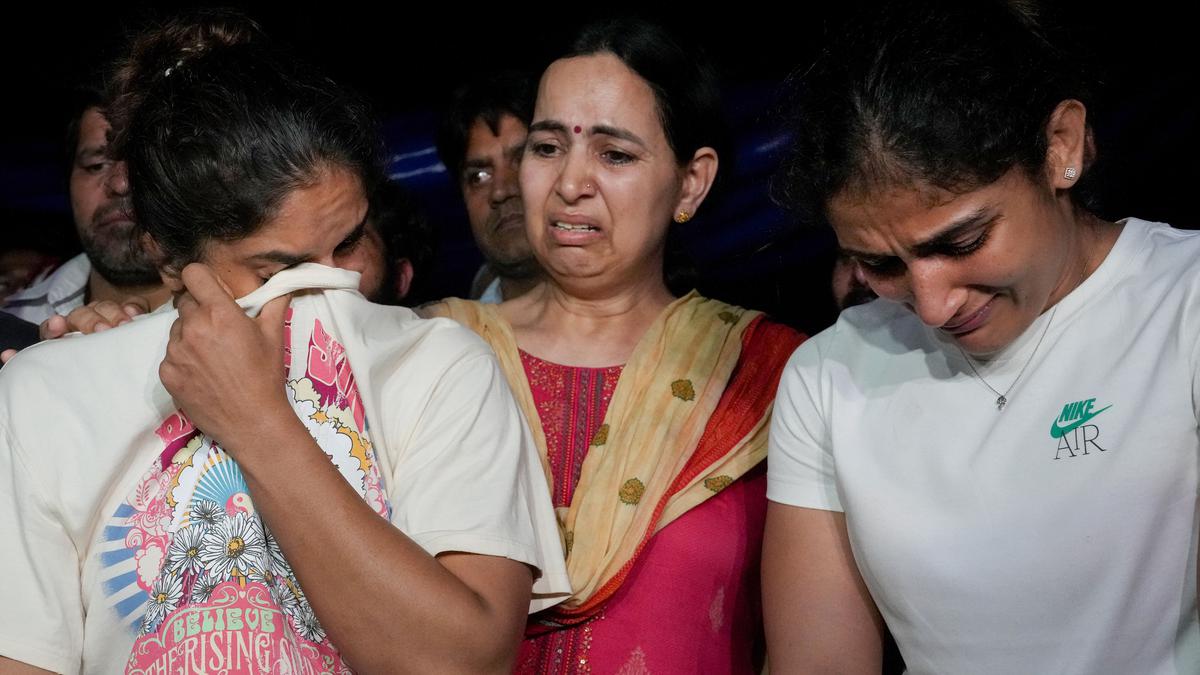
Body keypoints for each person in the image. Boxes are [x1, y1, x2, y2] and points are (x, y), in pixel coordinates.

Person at [0, 12, 566, 674]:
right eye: (277, 272)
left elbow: (461, 664)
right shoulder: (48, 392)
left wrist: (259, 423)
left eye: (349, 241)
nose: (332, 285)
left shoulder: (441, 366)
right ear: (165, 255)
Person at [763, 1, 1199, 673]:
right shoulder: (830, 375)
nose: (931, 306)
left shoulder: (1184, 302)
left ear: (1061, 146)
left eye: (963, 241)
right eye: (880, 264)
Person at [426, 18, 804, 673]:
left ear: (691, 182)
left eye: (615, 154)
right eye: (546, 148)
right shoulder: (437, 349)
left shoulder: (768, 375)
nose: (570, 183)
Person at [2, 86, 168, 326]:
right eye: (96, 165)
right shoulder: (15, 321)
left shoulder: (237, 318)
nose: (121, 183)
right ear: (67, 183)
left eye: (145, 163)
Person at [435, 72, 543, 302]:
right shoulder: (460, 333)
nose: (501, 191)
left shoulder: (635, 312)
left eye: (522, 158)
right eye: (479, 176)